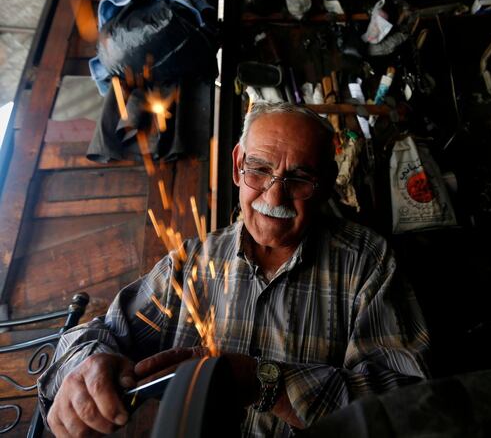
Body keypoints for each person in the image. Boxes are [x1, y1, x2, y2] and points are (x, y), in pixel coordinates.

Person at [38, 102, 431, 437]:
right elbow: (92, 335)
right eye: (258, 170)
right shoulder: (192, 263)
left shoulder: (366, 261)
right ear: (238, 165)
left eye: (298, 179)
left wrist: (266, 383)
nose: (274, 196)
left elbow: (407, 406)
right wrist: (85, 365)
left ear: (326, 183)